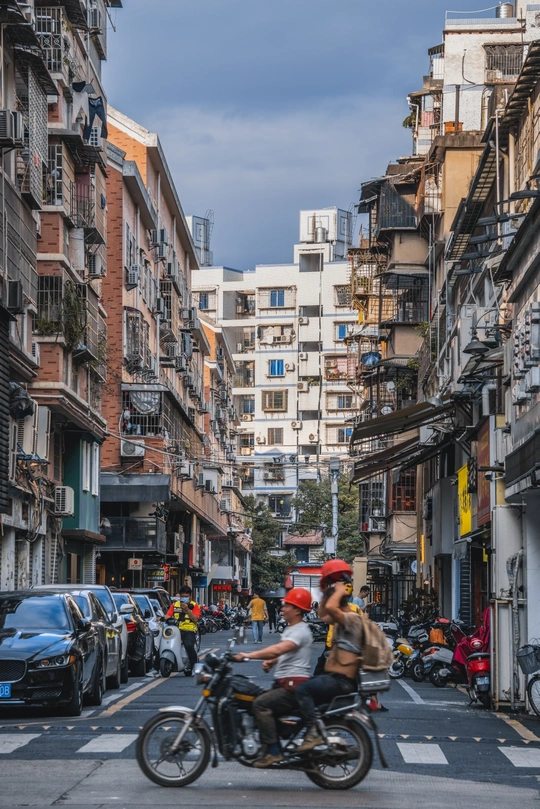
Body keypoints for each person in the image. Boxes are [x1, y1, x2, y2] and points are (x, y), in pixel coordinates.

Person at [233, 587, 313, 767]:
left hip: (292, 686)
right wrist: (273, 661)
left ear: (297, 610)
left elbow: (279, 649)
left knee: (260, 704)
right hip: (285, 683)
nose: (283, 609)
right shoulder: (293, 629)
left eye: (287, 606)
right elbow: (288, 652)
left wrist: (248, 655)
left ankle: (273, 752)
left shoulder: (300, 630)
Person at [294, 559, 363, 751]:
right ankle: (315, 729)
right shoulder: (341, 615)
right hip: (334, 673)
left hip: (342, 681)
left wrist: (337, 588)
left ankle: (312, 734)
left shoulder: (351, 617)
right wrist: (326, 590)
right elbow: (323, 614)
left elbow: (330, 610)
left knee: (302, 690)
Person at [165, 585, 201, 676]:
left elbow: (195, 619)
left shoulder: (195, 606)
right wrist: (161, 618)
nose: (184, 598)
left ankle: (194, 666)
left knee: (189, 646)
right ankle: (156, 667)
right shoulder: (175, 605)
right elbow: (168, 615)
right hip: (175, 630)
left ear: (190, 596)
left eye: (186, 596)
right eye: (182, 596)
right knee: (164, 642)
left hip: (189, 631)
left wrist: (187, 610)